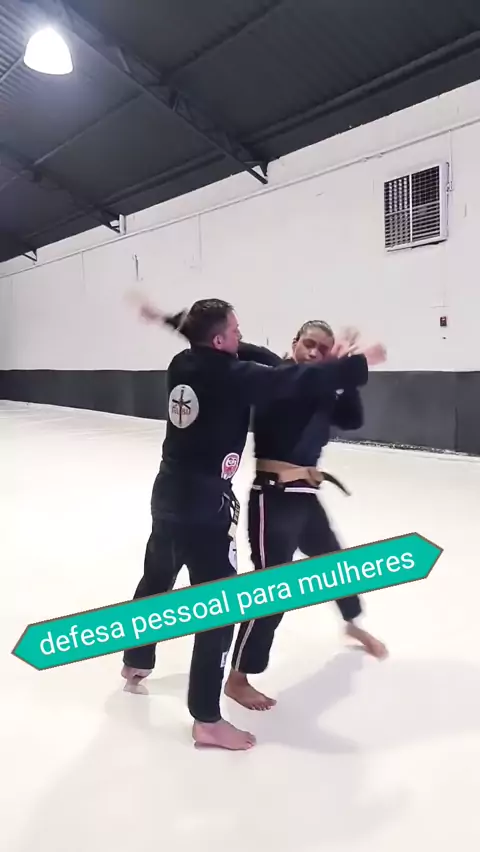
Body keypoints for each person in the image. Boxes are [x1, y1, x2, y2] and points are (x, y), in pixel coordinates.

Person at [121, 297, 384, 751]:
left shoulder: (187, 362)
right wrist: (356, 364)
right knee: (227, 604)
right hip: (221, 502)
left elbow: (216, 341)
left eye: (323, 348)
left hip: (175, 493)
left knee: (159, 575)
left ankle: (137, 658)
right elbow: (286, 378)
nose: (241, 336)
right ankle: (212, 710)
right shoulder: (244, 375)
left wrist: (167, 319)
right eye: (235, 331)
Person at [223, 319, 388, 712]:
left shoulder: (319, 384)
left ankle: (352, 622)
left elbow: (351, 419)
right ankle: (237, 678)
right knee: (273, 588)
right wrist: (342, 367)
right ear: (294, 342)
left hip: (305, 497)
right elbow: (290, 375)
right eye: (308, 344)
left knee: (336, 565)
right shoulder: (279, 378)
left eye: (322, 349)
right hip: (273, 497)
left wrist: (344, 380)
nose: (314, 352)